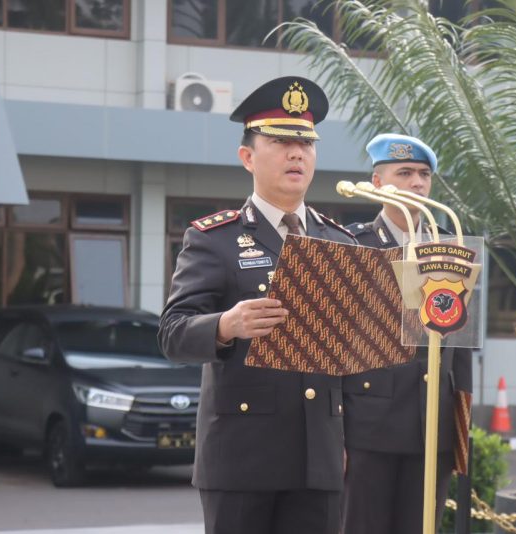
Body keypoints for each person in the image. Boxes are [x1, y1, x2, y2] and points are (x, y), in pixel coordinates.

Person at [158, 76, 356, 534]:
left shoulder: (338, 242)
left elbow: (354, 355)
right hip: (243, 457)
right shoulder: (214, 239)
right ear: (247, 156)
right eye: (281, 141)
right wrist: (225, 325)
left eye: (306, 143)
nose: (296, 154)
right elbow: (172, 332)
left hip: (319, 459)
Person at [341, 133, 473, 534]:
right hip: (367, 430)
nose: (417, 183)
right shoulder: (353, 246)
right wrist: (335, 435)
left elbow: (461, 350)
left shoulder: (451, 249)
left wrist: (461, 431)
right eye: (405, 173)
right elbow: (331, 346)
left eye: (424, 174)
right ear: (378, 184)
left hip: (431, 427)